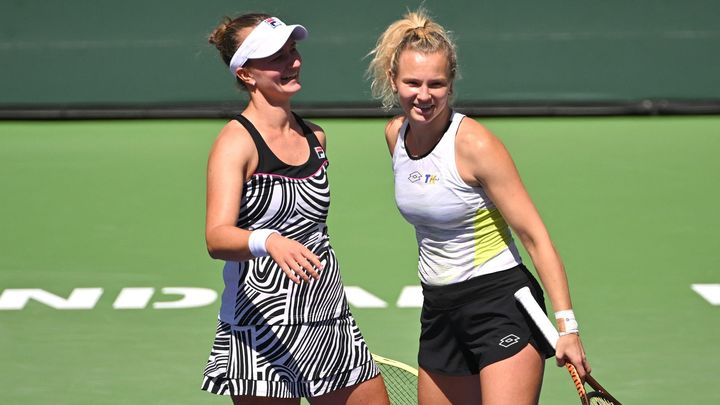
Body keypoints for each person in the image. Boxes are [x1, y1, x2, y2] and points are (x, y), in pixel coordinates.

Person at [367, 8, 591, 405]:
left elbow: (534, 237)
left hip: (500, 303)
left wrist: (567, 326)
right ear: (393, 80)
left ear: (451, 84)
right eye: (412, 83)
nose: (424, 95)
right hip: (438, 309)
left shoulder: (476, 146)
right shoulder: (394, 137)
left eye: (436, 84)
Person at [201, 13, 390, 405]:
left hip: (329, 320)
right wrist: (268, 241)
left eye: (293, 51)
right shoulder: (236, 143)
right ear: (246, 74)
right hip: (262, 330)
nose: (293, 62)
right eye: (276, 57)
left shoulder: (315, 136)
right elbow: (217, 236)